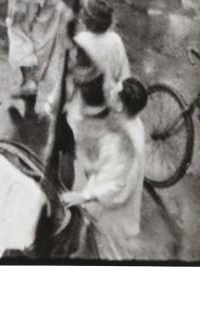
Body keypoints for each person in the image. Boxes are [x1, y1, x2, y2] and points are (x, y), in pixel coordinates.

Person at [64, 77, 149, 259]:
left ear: (121, 106)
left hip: (112, 222)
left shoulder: (124, 144)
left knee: (109, 255)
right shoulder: (134, 124)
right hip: (119, 216)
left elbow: (115, 186)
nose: (111, 93)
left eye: (115, 94)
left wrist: (82, 197)